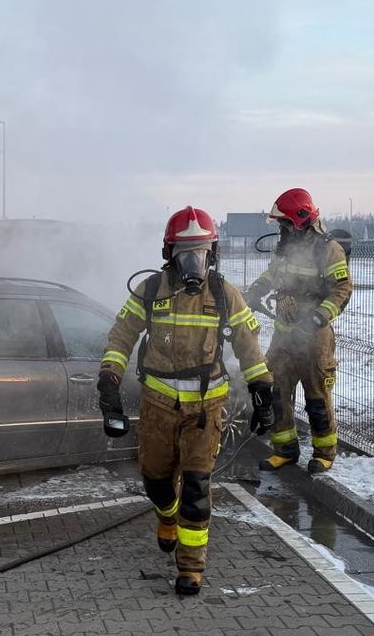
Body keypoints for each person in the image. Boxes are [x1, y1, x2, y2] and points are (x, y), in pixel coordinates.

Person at [97, 206, 273, 596]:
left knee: (196, 485)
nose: (194, 262)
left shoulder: (224, 294)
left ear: (213, 253)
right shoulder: (150, 291)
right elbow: (122, 334)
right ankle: (166, 515)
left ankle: (191, 568)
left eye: (201, 252)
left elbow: (249, 345)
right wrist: (109, 377)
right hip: (158, 406)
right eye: (184, 253)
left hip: (206, 410)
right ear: (169, 254)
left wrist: (263, 390)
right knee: (157, 480)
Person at [244, 188, 353, 474]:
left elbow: (342, 289)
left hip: (314, 337)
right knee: (277, 393)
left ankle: (324, 453)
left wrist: (317, 318)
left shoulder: (328, 250)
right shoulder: (286, 247)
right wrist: (257, 288)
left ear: (301, 220)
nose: (282, 229)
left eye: (285, 223)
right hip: (284, 334)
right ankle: (285, 450)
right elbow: (274, 273)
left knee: (317, 398)